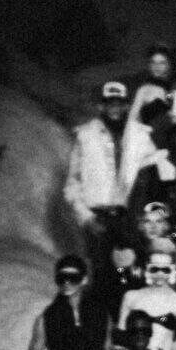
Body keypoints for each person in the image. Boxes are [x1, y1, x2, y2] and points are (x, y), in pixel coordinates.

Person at [64, 81, 136, 270]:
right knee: (100, 275)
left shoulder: (138, 136)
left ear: (127, 106)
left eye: (119, 103)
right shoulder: (85, 135)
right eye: (109, 103)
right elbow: (72, 184)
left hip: (128, 219)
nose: (115, 108)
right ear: (101, 106)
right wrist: (87, 217)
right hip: (98, 219)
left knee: (131, 274)